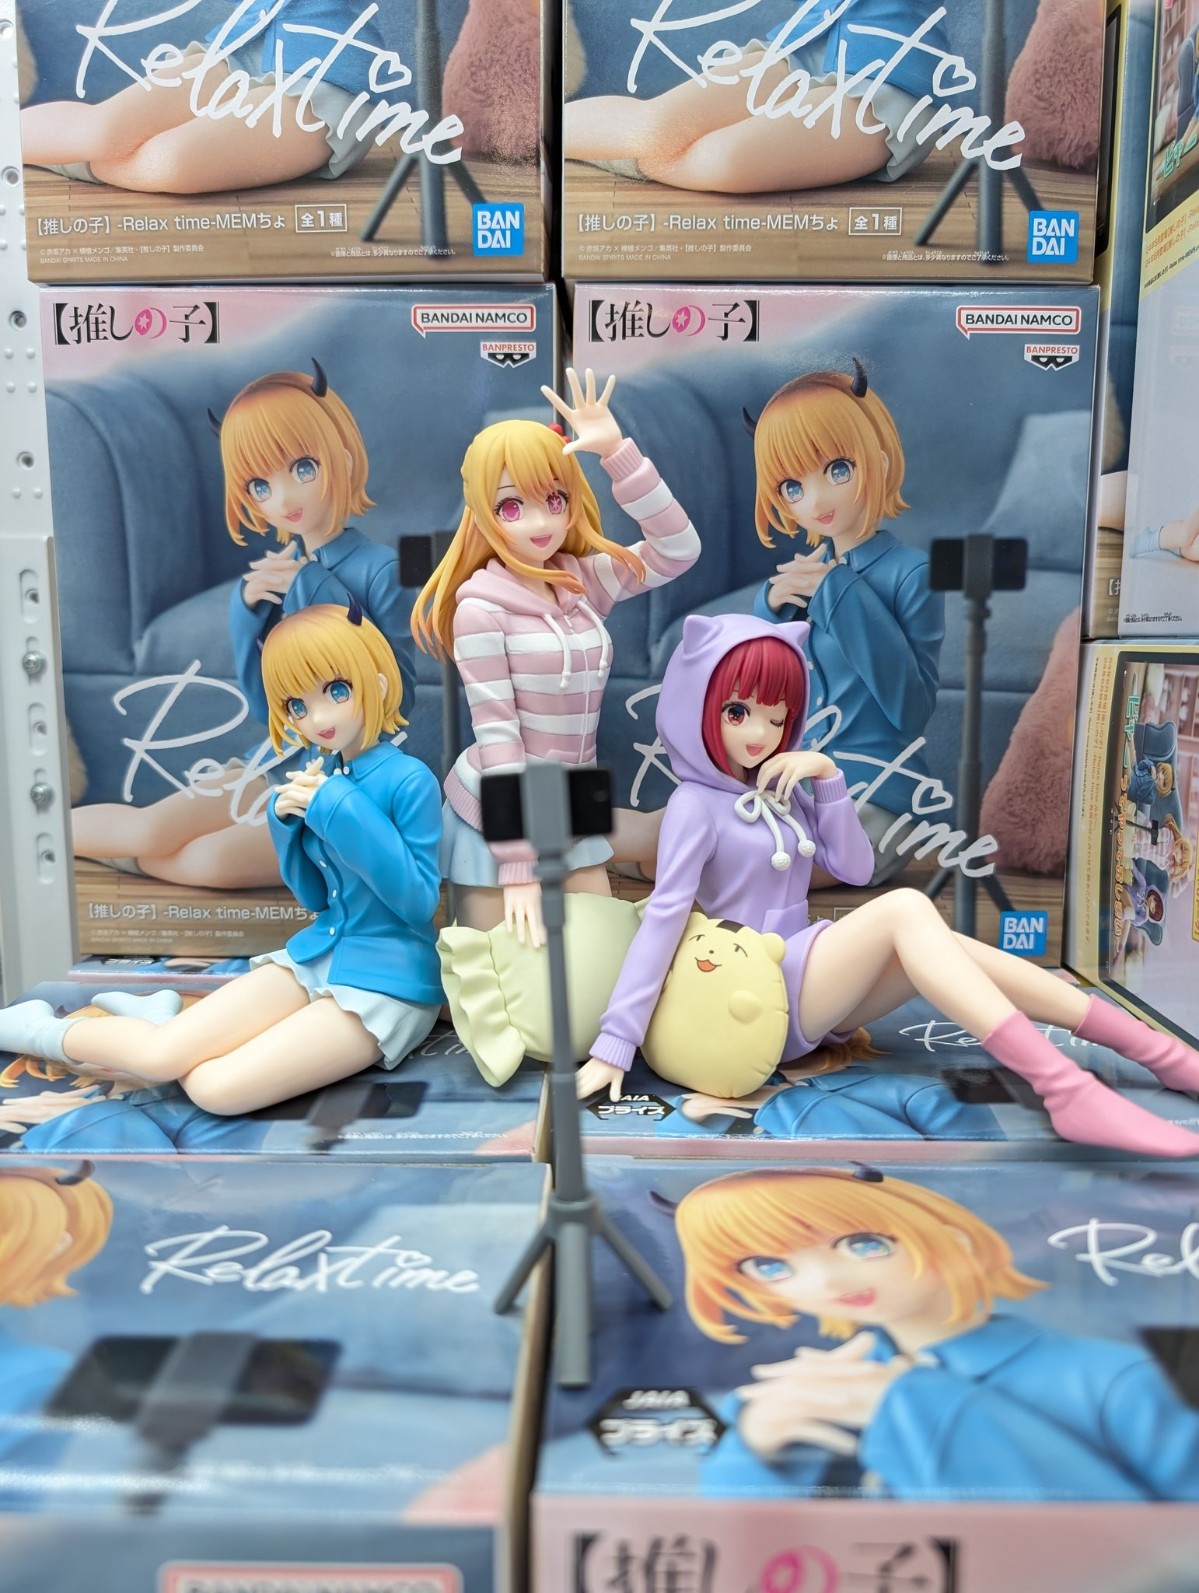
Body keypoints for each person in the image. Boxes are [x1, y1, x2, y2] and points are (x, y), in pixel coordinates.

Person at [577, 613, 1199, 1156]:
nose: (759, 732)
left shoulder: (779, 787)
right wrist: (616, 1041)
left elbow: (853, 868)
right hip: (753, 989)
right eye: (737, 712)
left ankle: (1160, 1055)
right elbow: (665, 916)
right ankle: (1065, 1089)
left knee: (950, 948)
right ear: (698, 708)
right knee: (904, 909)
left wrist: (827, 779)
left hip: (803, 971)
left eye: (777, 714)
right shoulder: (692, 807)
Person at [0, 605, 442, 1116]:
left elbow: (416, 902)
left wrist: (338, 810)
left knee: (212, 1087)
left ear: (378, 684)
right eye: (298, 705)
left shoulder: (409, 780)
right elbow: (318, 899)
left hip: (388, 985)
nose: (318, 718)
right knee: (161, 1056)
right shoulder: (324, 778)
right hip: (316, 956)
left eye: (337, 692)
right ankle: (40, 1028)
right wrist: (286, 826)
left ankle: (152, 1022)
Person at [71, 364, 413, 889]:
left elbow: (398, 698)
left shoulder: (379, 570)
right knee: (150, 829)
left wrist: (313, 588)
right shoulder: (279, 578)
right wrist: (247, 611)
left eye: (303, 468)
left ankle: (118, 858)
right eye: (260, 485)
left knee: (207, 861)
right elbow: (265, 707)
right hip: (277, 762)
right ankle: (32, 839)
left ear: (342, 458)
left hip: (349, 788)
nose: (283, 498)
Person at [675, 1166, 1199, 1500]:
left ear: (956, 1240)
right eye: (770, 1267)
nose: (827, 1282)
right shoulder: (814, 1390)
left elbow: (1166, 1552)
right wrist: (754, 1448)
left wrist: (925, 1408)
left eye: (865, 1245)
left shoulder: (1118, 1381)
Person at [412, 367, 699, 948]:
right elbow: (500, 740)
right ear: (482, 513)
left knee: (600, 957)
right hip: (501, 817)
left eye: (554, 499)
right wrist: (519, 866)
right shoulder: (479, 612)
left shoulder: (580, 583)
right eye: (511, 507)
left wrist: (617, 454)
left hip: (572, 798)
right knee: (500, 969)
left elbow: (677, 550)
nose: (541, 522)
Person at [747, 362, 942, 884]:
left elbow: (911, 708)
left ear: (878, 459)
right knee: (694, 838)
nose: (815, 501)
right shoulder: (804, 577)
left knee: (751, 868)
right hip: (795, 793)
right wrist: (769, 609)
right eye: (792, 487)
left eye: (837, 470)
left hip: (876, 800)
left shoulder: (911, 573)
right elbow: (756, 688)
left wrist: (839, 593)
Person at [563, 4, 953, 194]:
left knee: (721, 159)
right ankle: (539, 130)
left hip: (890, 78)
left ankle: (623, 151)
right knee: (656, 129)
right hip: (804, 43)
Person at [20, 2, 388, 193]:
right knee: (99, 132)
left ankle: (64, 155)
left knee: (169, 161)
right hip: (238, 48)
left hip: (326, 77)